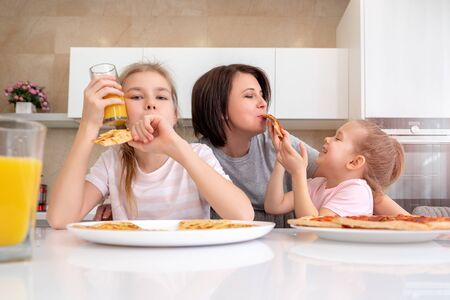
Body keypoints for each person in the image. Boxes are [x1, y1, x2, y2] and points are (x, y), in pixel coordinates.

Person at [190, 64, 408, 226]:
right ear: (219, 110)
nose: (263, 102)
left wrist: (413, 224)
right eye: (249, 96)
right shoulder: (199, 157)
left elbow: (357, 181)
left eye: (262, 95)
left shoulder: (278, 142)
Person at [47, 62, 254, 229]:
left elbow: (243, 216)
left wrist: (176, 147)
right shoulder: (113, 161)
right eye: (136, 96)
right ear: (120, 111)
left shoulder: (198, 154)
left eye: (161, 97)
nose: (150, 104)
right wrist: (88, 125)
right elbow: (59, 219)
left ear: (175, 115)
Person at [264, 120, 405, 217]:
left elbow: (315, 229)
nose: (327, 138)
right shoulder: (317, 184)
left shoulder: (356, 192)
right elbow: (274, 206)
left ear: (354, 162)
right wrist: (281, 158)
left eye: (337, 138)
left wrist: (299, 173)